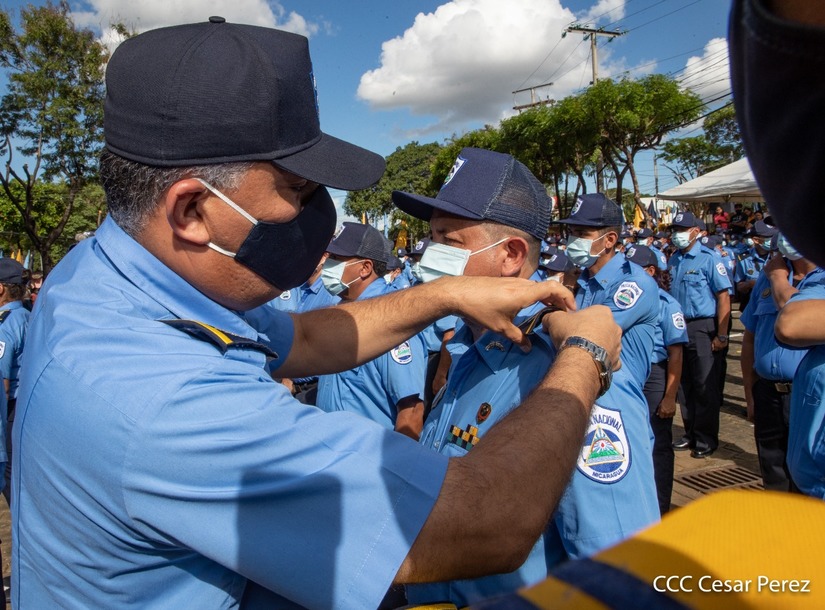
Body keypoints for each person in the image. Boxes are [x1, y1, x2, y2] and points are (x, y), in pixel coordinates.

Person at [12, 19, 624, 608]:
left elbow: (303, 338)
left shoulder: (101, 275)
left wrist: (445, 295)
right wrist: (586, 355)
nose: (319, 213)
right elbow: (485, 521)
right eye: (297, 189)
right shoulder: (164, 400)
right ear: (192, 210)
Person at [392, 147, 659, 607]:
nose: (429, 254)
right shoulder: (469, 348)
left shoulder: (573, 374)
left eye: (447, 241)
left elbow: (621, 575)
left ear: (511, 255)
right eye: (430, 237)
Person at [315, 222, 428, 439]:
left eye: (336, 259)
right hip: (330, 446)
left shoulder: (391, 321)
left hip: (366, 455)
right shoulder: (341, 310)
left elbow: (411, 412)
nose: (327, 264)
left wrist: (394, 462)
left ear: (365, 268)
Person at [556, 193, 660, 389]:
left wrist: (565, 291)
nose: (573, 240)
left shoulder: (635, 283)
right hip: (581, 384)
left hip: (617, 393)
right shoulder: (581, 277)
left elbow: (584, 334)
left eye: (582, 234)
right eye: (571, 232)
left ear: (610, 240)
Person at [741, 234, 819, 492]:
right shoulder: (766, 278)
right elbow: (750, 339)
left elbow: (792, 313)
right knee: (772, 471)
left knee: (807, 475)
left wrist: (777, 277)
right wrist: (750, 394)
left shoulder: (819, 279)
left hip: (807, 394)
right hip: (768, 392)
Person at [625, 245, 686, 515]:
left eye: (635, 270)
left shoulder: (667, 304)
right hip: (630, 372)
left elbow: (676, 353)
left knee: (658, 444)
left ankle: (660, 508)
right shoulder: (626, 298)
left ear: (650, 271)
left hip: (655, 375)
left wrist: (670, 396)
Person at [667, 211, 732, 458]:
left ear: (695, 231)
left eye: (682, 230)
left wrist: (722, 335)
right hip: (679, 326)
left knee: (705, 385)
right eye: (674, 230)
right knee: (684, 385)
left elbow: (723, 297)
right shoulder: (674, 259)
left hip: (702, 326)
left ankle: (706, 438)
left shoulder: (709, 258)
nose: (677, 234)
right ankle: (691, 433)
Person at [734, 220, 777, 311]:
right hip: (753, 306)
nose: (773, 239)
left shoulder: (779, 256)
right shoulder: (744, 259)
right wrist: (749, 284)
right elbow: (739, 285)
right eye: (768, 237)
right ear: (756, 240)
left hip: (774, 305)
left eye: (774, 236)